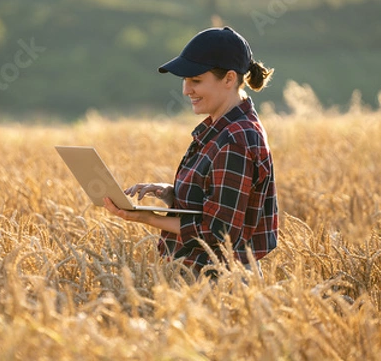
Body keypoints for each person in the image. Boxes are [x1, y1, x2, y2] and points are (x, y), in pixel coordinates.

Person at [103, 26, 278, 278]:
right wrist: (171, 195)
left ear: (229, 79)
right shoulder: (220, 129)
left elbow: (219, 233)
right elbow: (216, 205)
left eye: (196, 80)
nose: (186, 90)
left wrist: (147, 218)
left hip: (224, 283)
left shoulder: (236, 139)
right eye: (185, 81)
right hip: (205, 277)